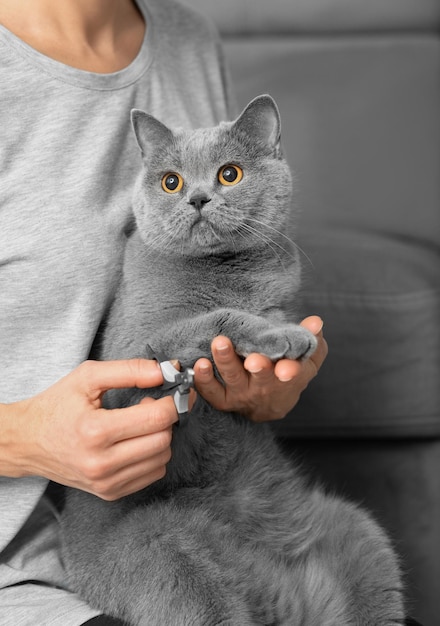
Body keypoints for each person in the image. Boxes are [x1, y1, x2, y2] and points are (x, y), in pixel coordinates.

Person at [0, 0, 327, 624]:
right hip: (27, 575)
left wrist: (259, 389)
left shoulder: (186, 37)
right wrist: (22, 439)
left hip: (216, 519)